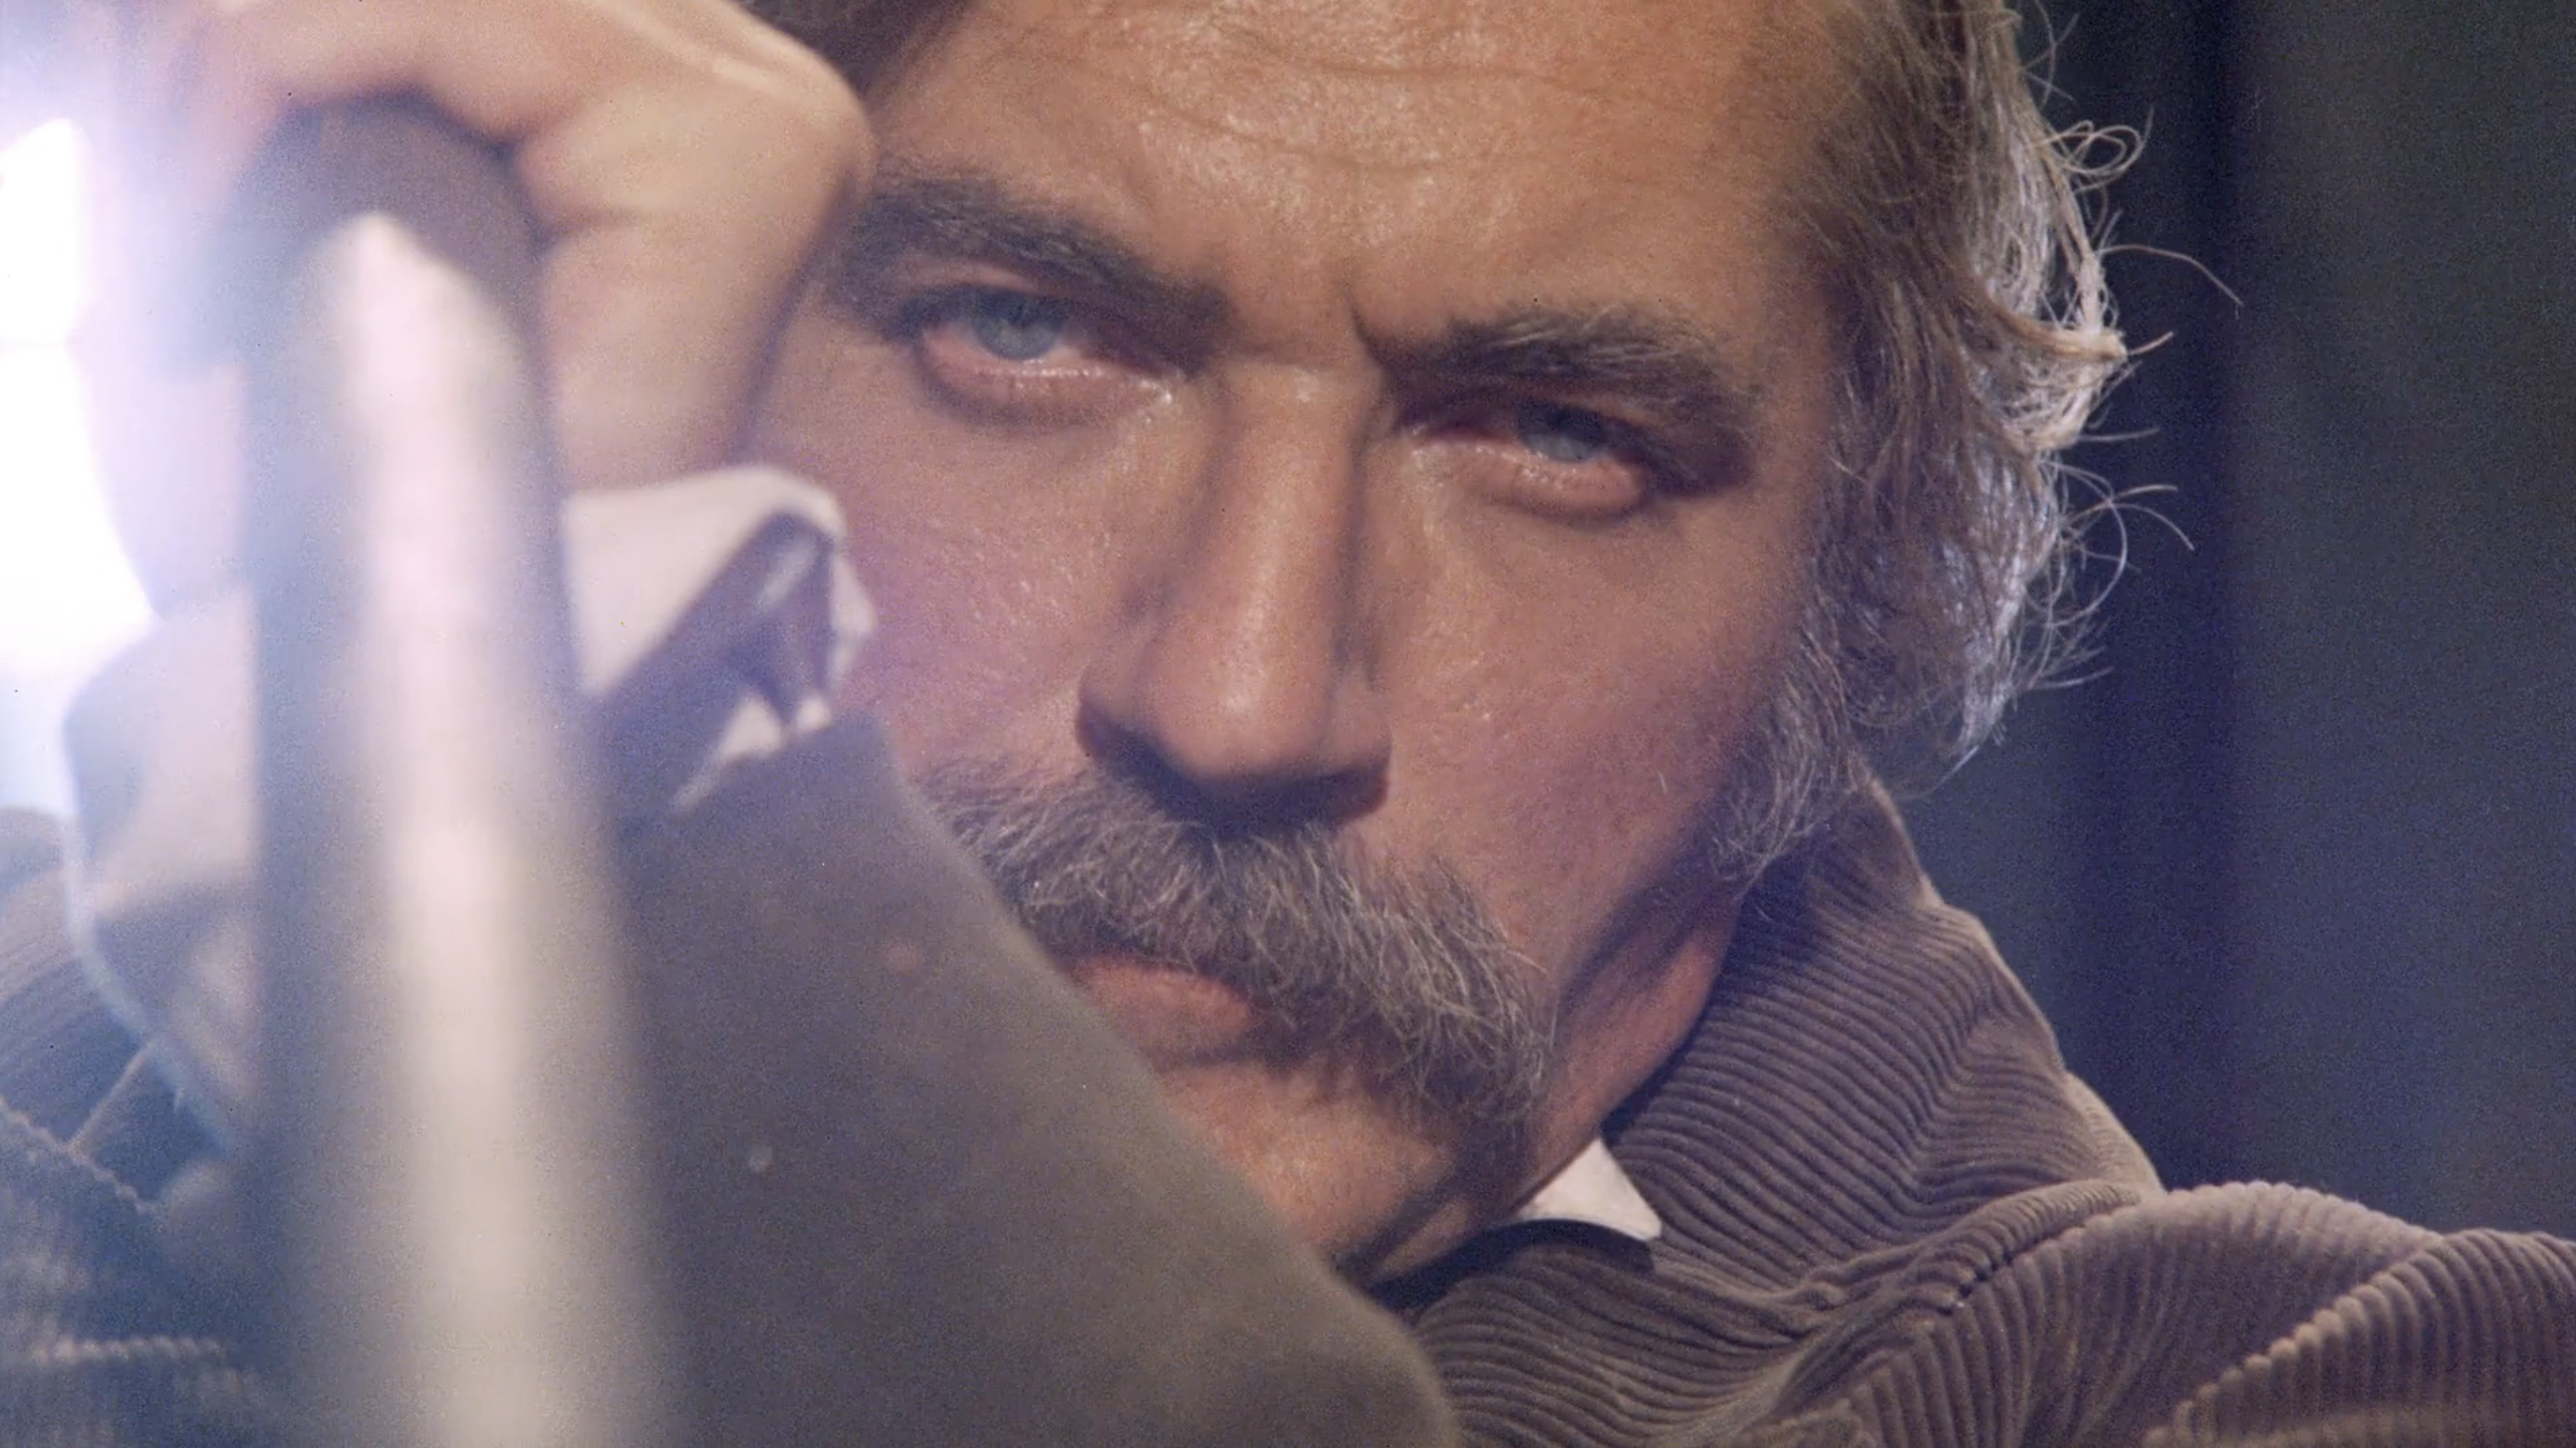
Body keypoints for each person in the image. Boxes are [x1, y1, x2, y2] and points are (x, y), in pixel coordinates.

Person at [1, 0, 2570, 1442]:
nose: (1237, 696)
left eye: (1547, 434)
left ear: (1864, 589)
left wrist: (609, 803)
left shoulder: (2301, 1393)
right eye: (1027, 335)